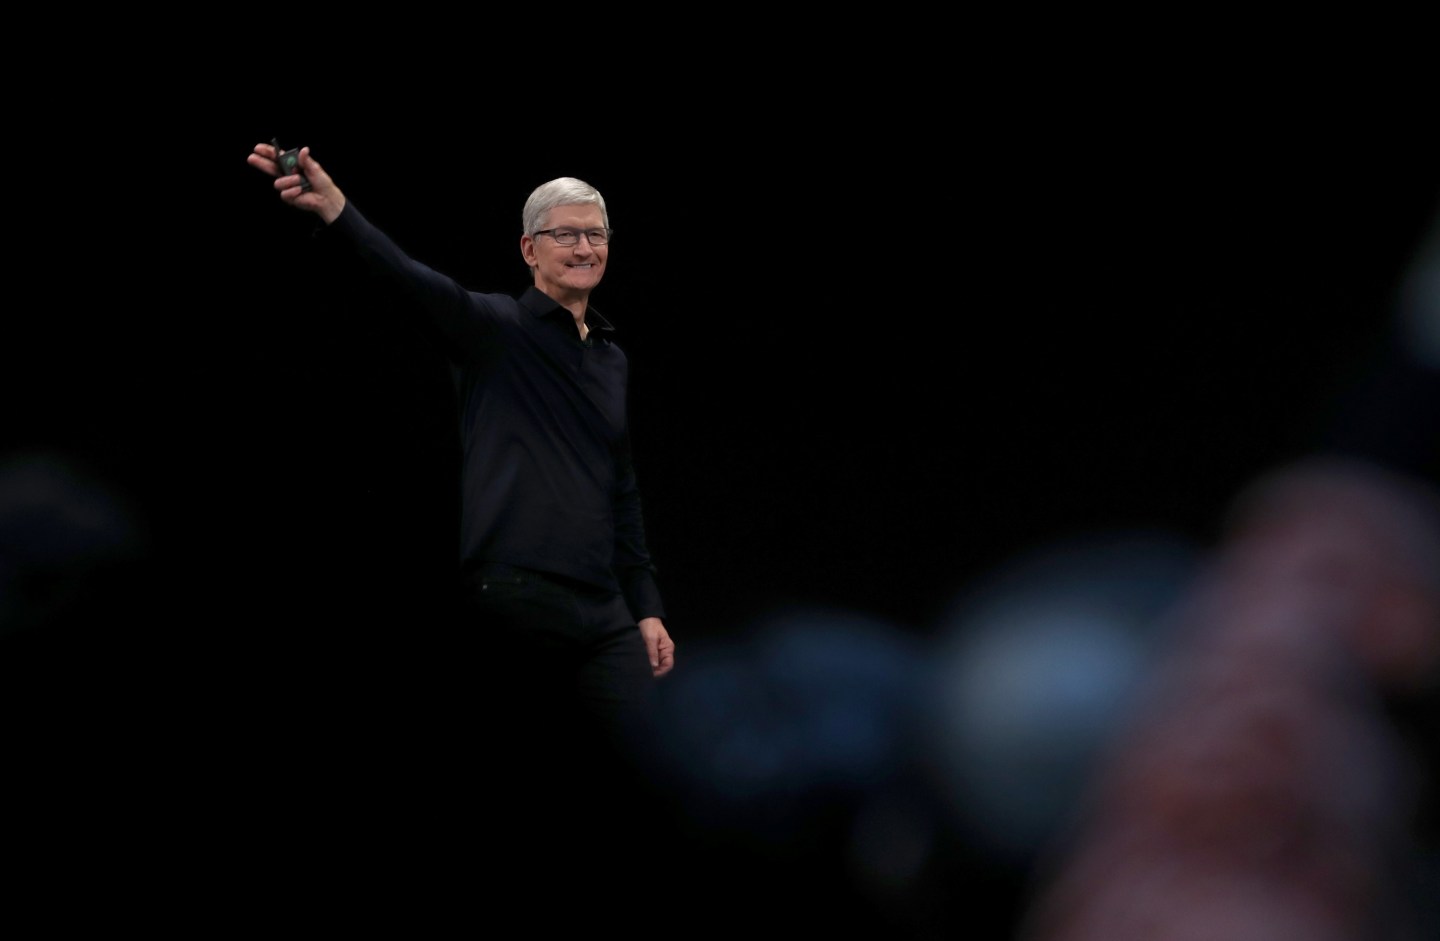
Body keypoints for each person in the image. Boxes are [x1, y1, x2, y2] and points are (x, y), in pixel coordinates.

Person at [245, 142, 677, 868]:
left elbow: (621, 486)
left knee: (650, 779)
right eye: (566, 233)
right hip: (515, 597)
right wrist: (337, 209)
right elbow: (406, 278)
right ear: (529, 248)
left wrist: (648, 604)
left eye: (595, 234)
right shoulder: (496, 332)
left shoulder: (611, 357)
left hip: (605, 614)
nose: (583, 247)